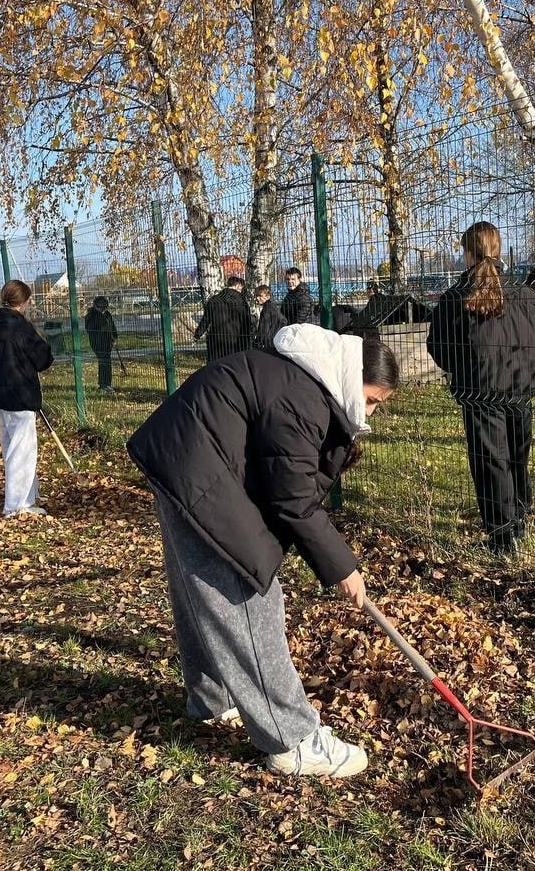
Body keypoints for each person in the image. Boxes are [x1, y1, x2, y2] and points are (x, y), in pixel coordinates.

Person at [126, 324, 400, 778]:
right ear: (351, 377)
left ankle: (214, 698)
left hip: (182, 459)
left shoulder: (304, 380)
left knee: (204, 591)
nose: (369, 413)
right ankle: (291, 739)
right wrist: (343, 567)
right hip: (196, 469)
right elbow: (293, 501)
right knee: (249, 595)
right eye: (370, 400)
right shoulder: (302, 399)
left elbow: (284, 478)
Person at [427, 221, 535, 557]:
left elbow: (439, 346)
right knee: (517, 457)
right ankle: (517, 520)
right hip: (520, 387)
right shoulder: (525, 293)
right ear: (498, 248)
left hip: (481, 390)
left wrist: (463, 368)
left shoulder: (456, 298)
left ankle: (503, 539)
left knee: (490, 462)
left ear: (468, 252)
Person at [0, 279, 55, 518]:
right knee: (22, 452)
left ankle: (28, 496)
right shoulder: (21, 327)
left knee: (14, 448)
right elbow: (43, 360)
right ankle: (17, 506)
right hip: (21, 395)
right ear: (26, 301)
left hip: (0, 395)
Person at [194, 276, 253, 362]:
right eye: (241, 288)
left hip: (216, 340)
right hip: (235, 340)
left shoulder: (214, 300)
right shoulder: (241, 300)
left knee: (216, 367)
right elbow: (246, 321)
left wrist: (197, 335)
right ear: (237, 285)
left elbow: (206, 320)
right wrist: (248, 339)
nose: (241, 290)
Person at [84, 296, 119, 393]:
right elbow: (90, 329)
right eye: (100, 307)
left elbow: (112, 326)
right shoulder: (91, 315)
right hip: (98, 343)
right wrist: (102, 329)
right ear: (96, 306)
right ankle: (104, 385)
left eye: (104, 307)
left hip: (108, 342)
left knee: (107, 363)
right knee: (103, 362)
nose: (103, 310)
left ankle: (106, 384)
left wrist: (115, 336)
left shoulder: (107, 314)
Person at [252, 284, 287, 349]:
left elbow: (264, 328)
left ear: (268, 296)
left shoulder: (267, 309)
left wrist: (257, 343)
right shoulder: (272, 306)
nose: (257, 298)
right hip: (275, 340)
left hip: (269, 343)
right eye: (256, 296)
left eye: (260, 296)